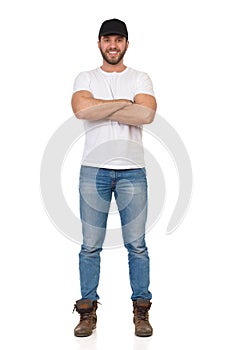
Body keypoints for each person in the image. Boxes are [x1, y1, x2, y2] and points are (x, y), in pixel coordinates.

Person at [71, 18, 157, 337]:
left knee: (137, 245)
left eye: (118, 40)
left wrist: (101, 108)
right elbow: (81, 110)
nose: (113, 45)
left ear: (126, 44)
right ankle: (86, 311)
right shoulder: (86, 77)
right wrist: (124, 104)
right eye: (107, 39)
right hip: (93, 170)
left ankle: (141, 310)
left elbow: (146, 114)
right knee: (90, 246)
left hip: (133, 170)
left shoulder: (140, 77)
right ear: (99, 43)